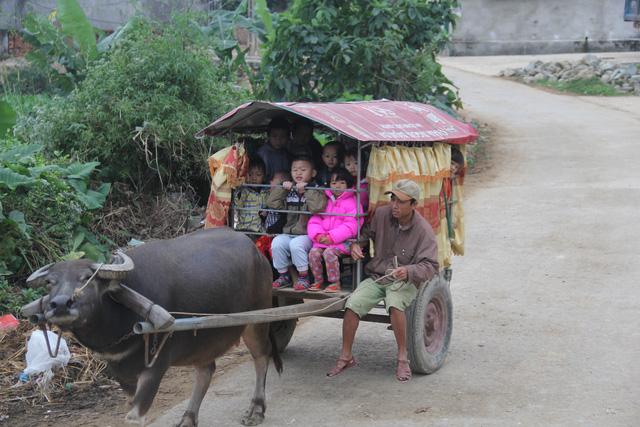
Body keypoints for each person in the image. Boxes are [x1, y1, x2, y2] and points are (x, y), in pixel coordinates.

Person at [327, 179, 439, 382]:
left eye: (401, 202)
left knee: (395, 303)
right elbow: (364, 233)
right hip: (378, 277)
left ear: (414, 205)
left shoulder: (424, 231)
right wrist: (355, 245)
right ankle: (346, 356)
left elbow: (431, 266)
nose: (394, 205)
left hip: (403, 282)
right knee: (353, 304)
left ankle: (403, 358)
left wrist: (409, 270)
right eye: (393, 199)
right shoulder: (381, 214)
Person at [268, 155, 327, 291]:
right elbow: (272, 203)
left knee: (296, 245)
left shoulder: (317, 189)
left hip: (308, 235)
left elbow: (318, 207)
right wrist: (283, 188)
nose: (298, 173)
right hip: (289, 232)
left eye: (303, 170)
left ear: (313, 173)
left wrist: (308, 190)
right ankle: (283, 275)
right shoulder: (290, 190)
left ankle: (304, 277)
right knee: (277, 243)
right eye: (295, 170)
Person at [307, 167, 363, 293]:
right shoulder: (325, 201)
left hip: (344, 242)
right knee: (313, 252)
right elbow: (315, 220)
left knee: (329, 253)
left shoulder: (353, 202)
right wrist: (318, 235)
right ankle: (318, 281)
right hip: (323, 240)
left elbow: (351, 226)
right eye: (334, 183)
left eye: (342, 182)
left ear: (348, 184)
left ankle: (334, 282)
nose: (338, 185)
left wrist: (332, 237)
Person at [255, 169, 293, 261]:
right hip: (269, 234)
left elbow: (284, 218)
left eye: (273, 179)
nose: (270, 181)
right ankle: (263, 266)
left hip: (278, 234)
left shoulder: (286, 198)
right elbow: (269, 213)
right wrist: (263, 214)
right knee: (258, 246)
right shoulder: (270, 193)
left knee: (275, 252)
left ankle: (281, 272)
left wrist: (272, 230)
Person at [233, 157, 269, 237]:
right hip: (244, 229)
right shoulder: (244, 191)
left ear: (264, 175)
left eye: (258, 175)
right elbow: (237, 204)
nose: (254, 178)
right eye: (250, 174)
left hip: (261, 231)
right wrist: (239, 188)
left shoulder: (267, 191)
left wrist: (267, 212)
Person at [258, 117, 290, 183]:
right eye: (274, 136)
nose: (278, 141)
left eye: (282, 137)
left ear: (288, 137)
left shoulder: (285, 153)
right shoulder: (264, 153)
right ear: (268, 136)